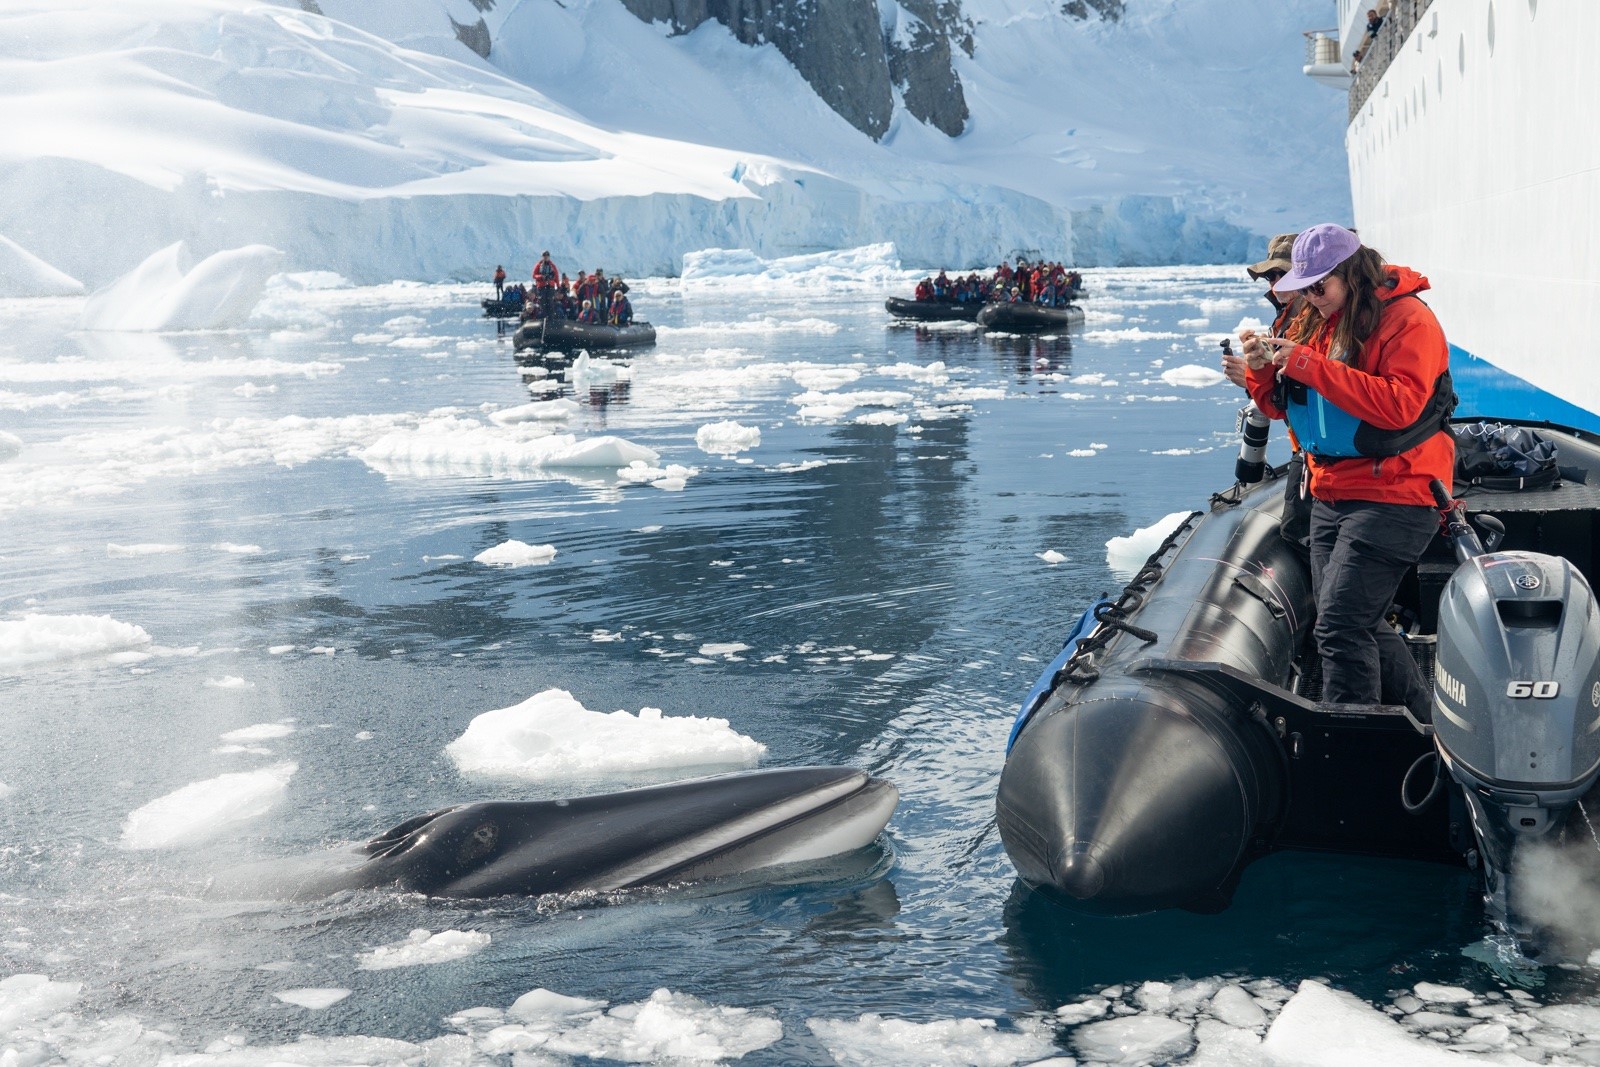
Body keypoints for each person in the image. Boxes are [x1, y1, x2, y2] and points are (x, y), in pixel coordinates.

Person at [1240, 223, 1453, 719]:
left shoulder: (1408, 321)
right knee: (1358, 620)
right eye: (1304, 288)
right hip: (1333, 492)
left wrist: (1309, 365)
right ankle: (1427, 723)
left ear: (1351, 274)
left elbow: (1400, 406)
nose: (1311, 298)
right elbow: (1278, 407)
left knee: (1339, 623)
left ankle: (1347, 743)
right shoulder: (1317, 321)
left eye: (1319, 286)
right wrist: (1259, 368)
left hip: (1398, 491)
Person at [532, 251, 559, 318]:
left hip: (550, 287)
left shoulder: (552, 266)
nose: (546, 257)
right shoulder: (538, 265)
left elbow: (556, 276)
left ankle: (551, 319)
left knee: (550, 303)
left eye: (547, 255)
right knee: (542, 303)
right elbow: (534, 275)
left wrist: (558, 286)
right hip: (541, 287)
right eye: (544, 256)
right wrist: (542, 277)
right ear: (542, 257)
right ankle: (543, 318)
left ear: (549, 257)